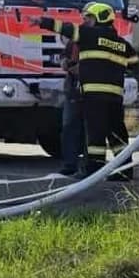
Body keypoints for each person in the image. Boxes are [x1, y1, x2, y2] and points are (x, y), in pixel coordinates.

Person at [76, 1, 137, 180]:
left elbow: (65, 29)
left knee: (95, 134)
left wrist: (42, 22)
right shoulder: (121, 43)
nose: (85, 22)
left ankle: (94, 171)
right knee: (117, 134)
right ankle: (125, 170)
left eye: (88, 18)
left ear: (99, 18)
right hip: (115, 97)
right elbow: (135, 63)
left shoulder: (88, 35)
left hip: (94, 95)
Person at [57, 18, 86, 177]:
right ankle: (69, 164)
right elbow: (62, 58)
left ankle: (90, 166)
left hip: (90, 92)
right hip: (72, 91)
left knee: (89, 131)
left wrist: (83, 68)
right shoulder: (73, 43)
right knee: (69, 128)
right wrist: (68, 64)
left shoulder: (98, 41)